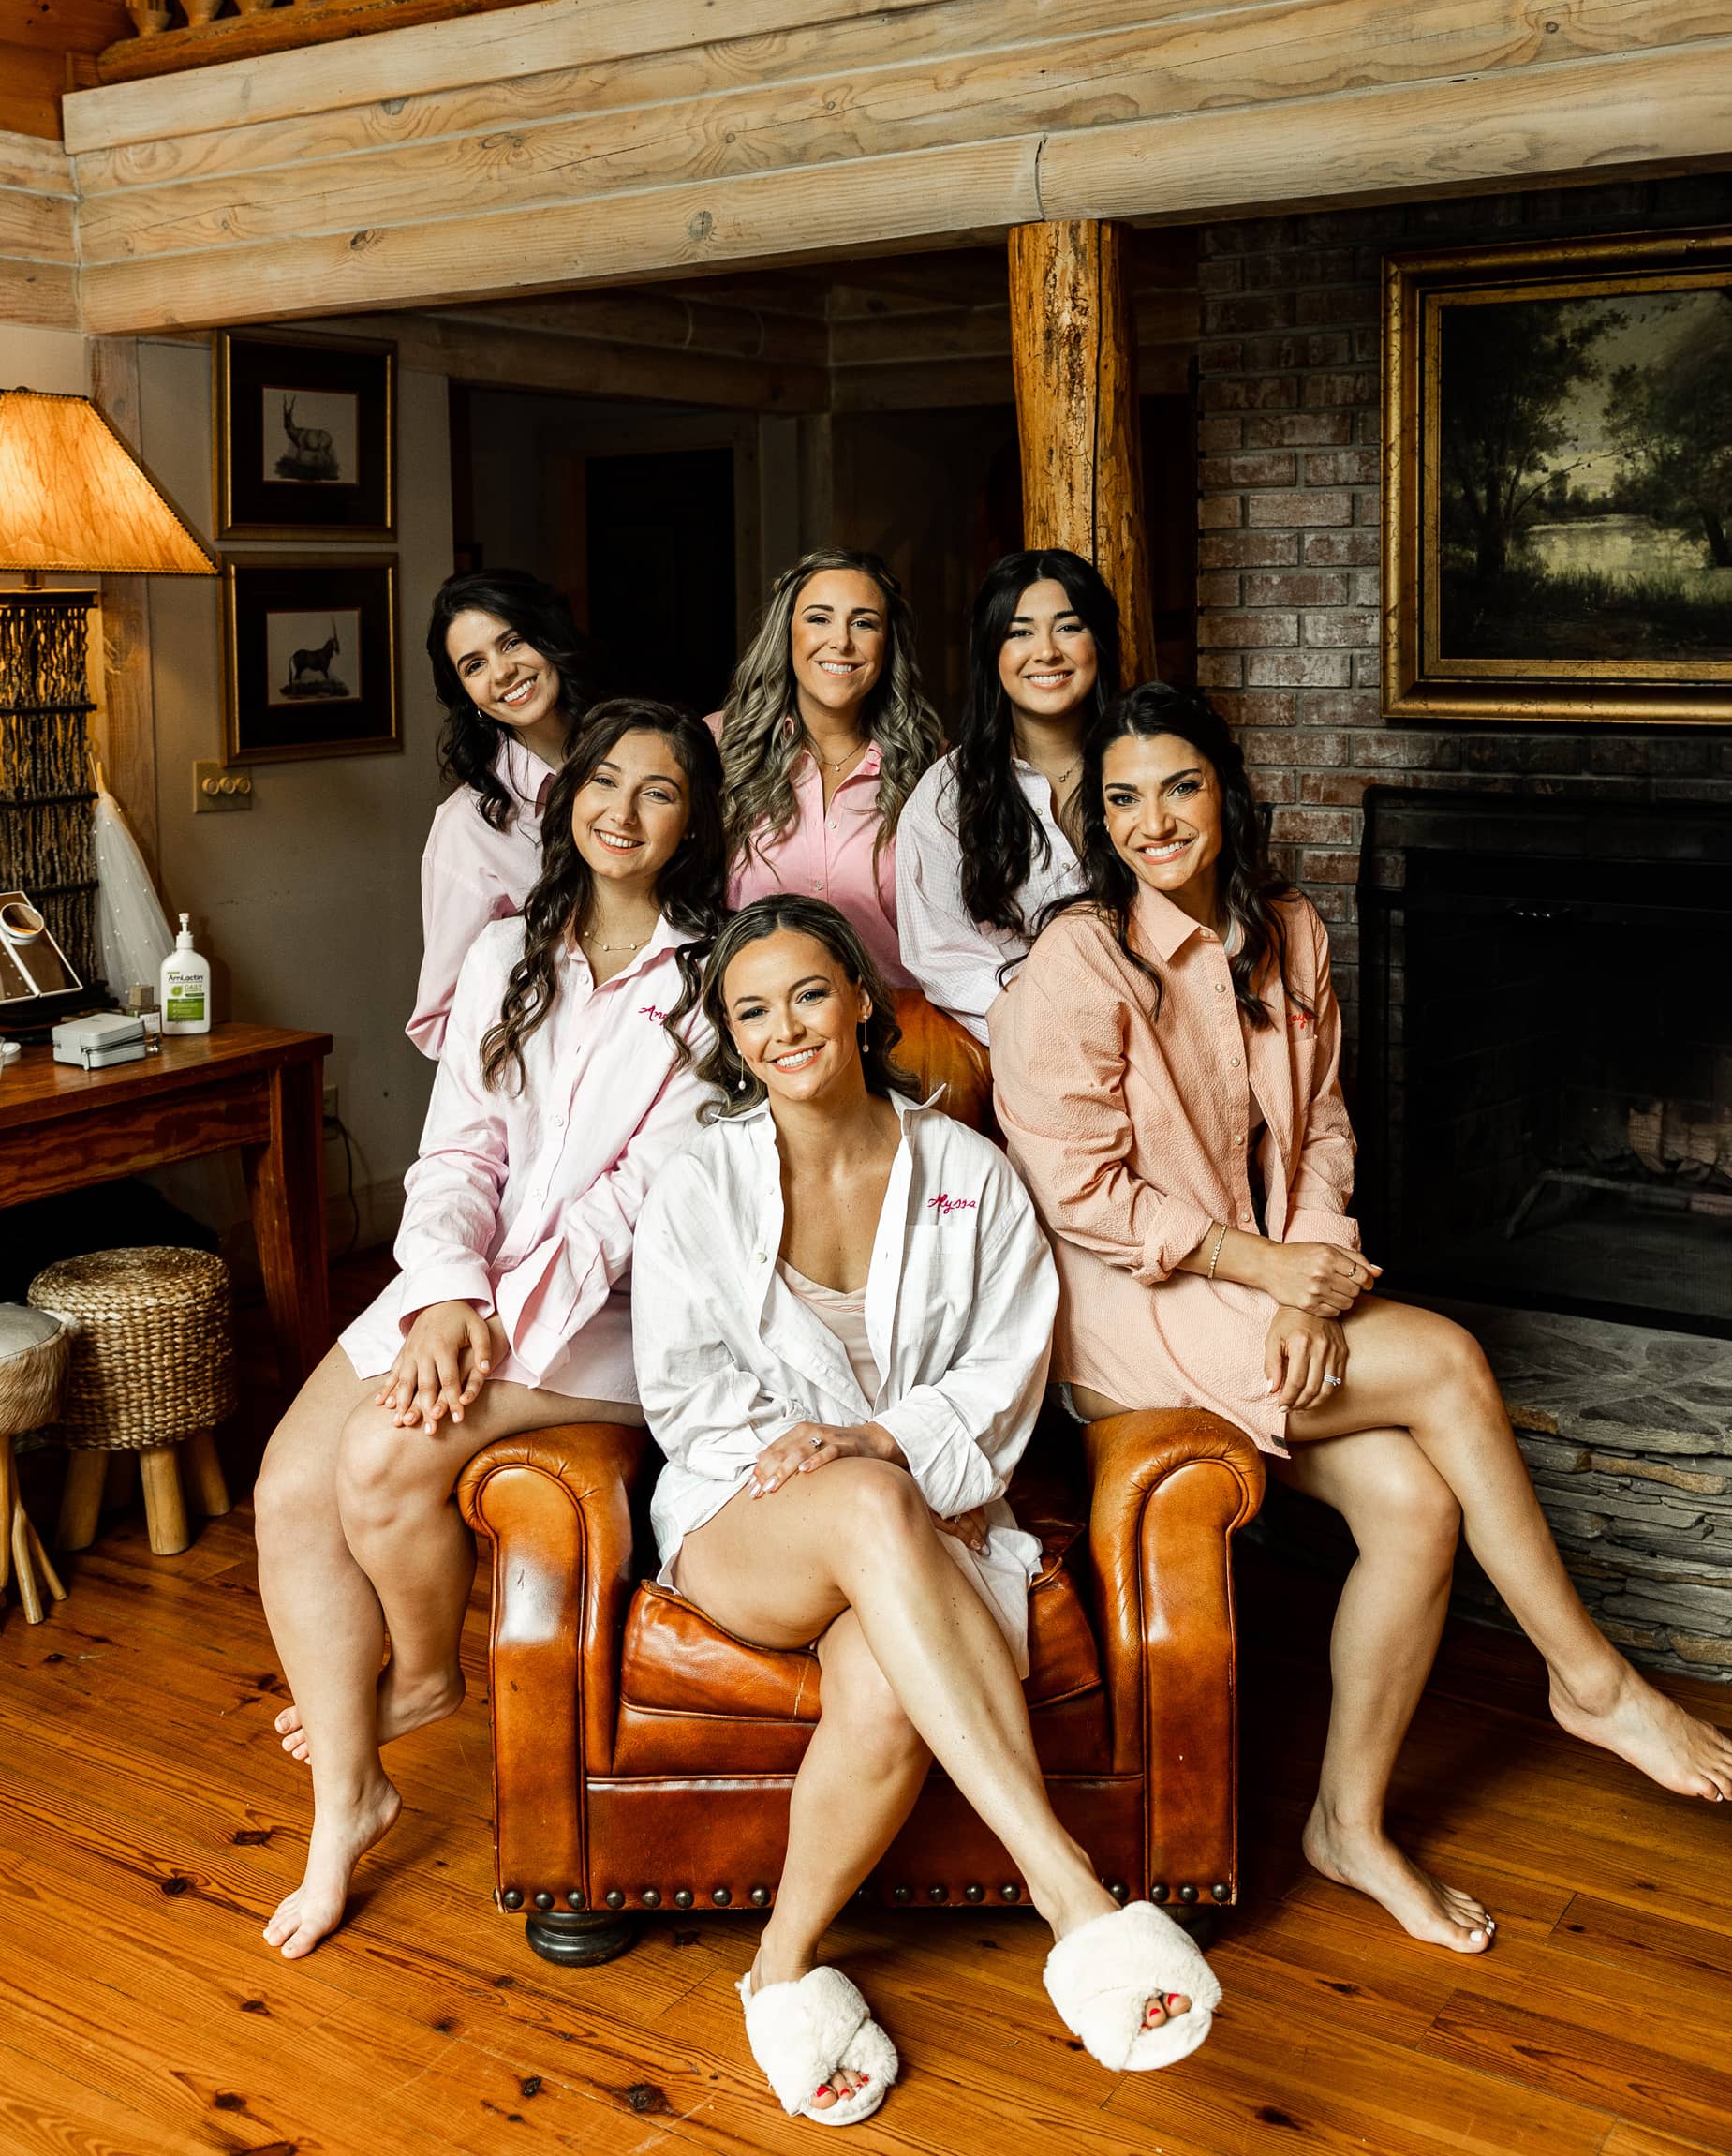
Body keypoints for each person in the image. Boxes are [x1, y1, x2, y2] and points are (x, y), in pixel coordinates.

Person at [992, 681, 1732, 1958]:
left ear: (1226, 789)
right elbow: (1082, 1197)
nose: (1153, 820)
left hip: (1265, 1275)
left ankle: (1347, 1827)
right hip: (1136, 1308)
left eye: (1180, 785)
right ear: (1096, 817)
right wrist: (1266, 1269)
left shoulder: (1287, 930)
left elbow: (1323, 1129)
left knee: (1413, 1504)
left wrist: (1319, 1264)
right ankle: (1593, 1680)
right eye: (1121, 798)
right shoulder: (1077, 959)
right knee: (1446, 1357)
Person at [631, 893, 1222, 2126]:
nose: (783, 1027)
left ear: (860, 998)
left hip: (931, 1525)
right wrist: (844, 1459)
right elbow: (683, 1392)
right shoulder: (699, 1179)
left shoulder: (970, 1171)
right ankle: (1072, 1896)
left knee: (889, 1674)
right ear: (731, 1041)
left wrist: (889, 1448)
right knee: (860, 1500)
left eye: (806, 993)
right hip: (750, 1519)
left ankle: (779, 1967)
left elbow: (1006, 1374)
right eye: (750, 1012)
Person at [253, 699, 725, 1961]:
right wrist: (447, 1293)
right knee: (292, 1488)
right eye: (603, 781)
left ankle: (422, 1674)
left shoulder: (715, 975)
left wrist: (484, 1326)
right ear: (569, 799)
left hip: (616, 1319)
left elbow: (642, 1206)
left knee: (385, 1459)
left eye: (659, 790)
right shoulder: (509, 949)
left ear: (695, 821)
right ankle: (346, 1803)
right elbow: (458, 1148)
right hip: (477, 1280)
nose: (622, 809)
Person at [896, 549, 1121, 1045]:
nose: (1046, 652)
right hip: (1030, 1049)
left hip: (1164, 1034)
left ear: (1099, 642)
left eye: (1069, 627)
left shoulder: (1149, 768)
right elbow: (942, 957)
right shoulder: (946, 794)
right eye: (1019, 632)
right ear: (991, 653)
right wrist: (1050, 1025)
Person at [713, 549, 941, 993]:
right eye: (819, 619)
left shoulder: (934, 770)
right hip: (755, 1036)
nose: (841, 641)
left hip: (901, 1035)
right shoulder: (718, 749)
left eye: (864, 623)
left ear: (888, 642)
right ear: (787, 633)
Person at [408, 569, 589, 1057]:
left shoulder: (643, 759)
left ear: (547, 635)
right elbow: (441, 1023)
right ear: (467, 696)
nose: (502, 673)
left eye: (511, 642)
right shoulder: (467, 827)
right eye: (474, 666)